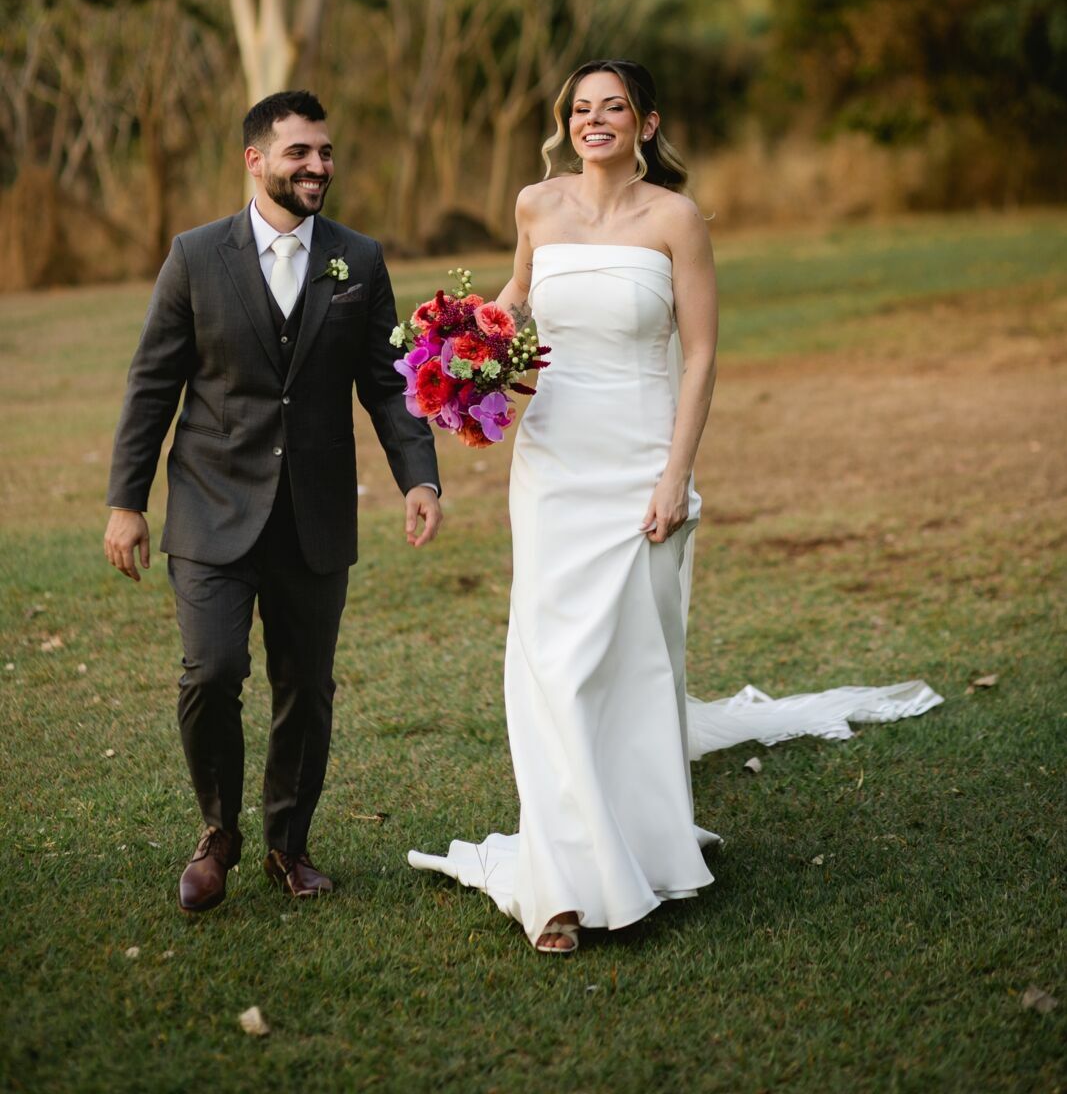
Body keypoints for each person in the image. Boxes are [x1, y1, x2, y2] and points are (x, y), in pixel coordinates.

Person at [409, 60, 941, 954]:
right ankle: (559, 879)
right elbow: (518, 305)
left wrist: (672, 475)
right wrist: (461, 344)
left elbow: (697, 358)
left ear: (645, 123)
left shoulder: (676, 220)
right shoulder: (536, 205)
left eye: (612, 107)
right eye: (580, 109)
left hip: (640, 457)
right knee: (549, 660)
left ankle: (641, 845)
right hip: (553, 463)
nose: (594, 121)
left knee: (634, 660)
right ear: (565, 123)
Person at [105, 89, 441, 913]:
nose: (317, 166)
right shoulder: (194, 255)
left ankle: (288, 846)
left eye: (324, 152)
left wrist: (419, 476)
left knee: (306, 686)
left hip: (315, 512)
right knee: (211, 672)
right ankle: (218, 834)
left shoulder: (358, 259)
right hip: (211, 506)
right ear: (255, 161)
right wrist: (126, 500)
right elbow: (153, 383)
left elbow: (387, 386)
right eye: (299, 153)